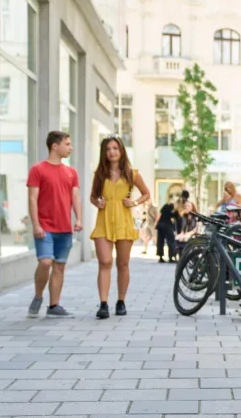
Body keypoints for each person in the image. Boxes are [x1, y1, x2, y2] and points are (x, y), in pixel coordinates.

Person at [90, 136, 151, 319]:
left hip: (124, 221)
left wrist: (133, 202)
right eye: (108, 149)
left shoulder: (132, 174)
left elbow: (146, 193)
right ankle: (103, 304)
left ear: (121, 150)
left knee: (123, 264)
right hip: (104, 221)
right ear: (104, 152)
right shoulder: (100, 174)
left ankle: (121, 301)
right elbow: (93, 197)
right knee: (105, 262)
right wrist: (97, 203)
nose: (112, 152)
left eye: (115, 148)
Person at [26, 131, 82, 318]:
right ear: (55, 146)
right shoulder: (37, 169)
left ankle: (54, 306)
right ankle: (38, 296)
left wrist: (79, 219)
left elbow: (75, 197)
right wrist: (36, 225)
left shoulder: (71, 172)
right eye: (67, 144)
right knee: (45, 261)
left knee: (59, 266)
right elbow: (32, 199)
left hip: (64, 228)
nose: (70, 147)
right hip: (44, 227)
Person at [155, 198, 177, 263]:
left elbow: (160, 214)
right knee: (171, 240)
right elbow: (174, 216)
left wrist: (156, 223)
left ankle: (160, 256)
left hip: (160, 224)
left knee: (160, 241)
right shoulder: (173, 207)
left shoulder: (165, 206)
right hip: (167, 225)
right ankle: (171, 257)